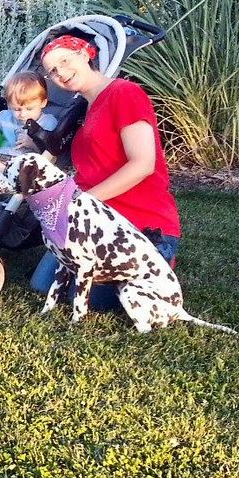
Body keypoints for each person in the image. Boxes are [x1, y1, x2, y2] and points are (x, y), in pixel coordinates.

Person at [30, 34, 181, 308]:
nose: (60, 73)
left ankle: (157, 261)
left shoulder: (123, 93)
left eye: (65, 60)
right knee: (40, 284)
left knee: (91, 298)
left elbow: (143, 163)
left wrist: (80, 203)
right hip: (95, 224)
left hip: (138, 223)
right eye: (52, 70)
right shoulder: (84, 109)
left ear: (86, 54)